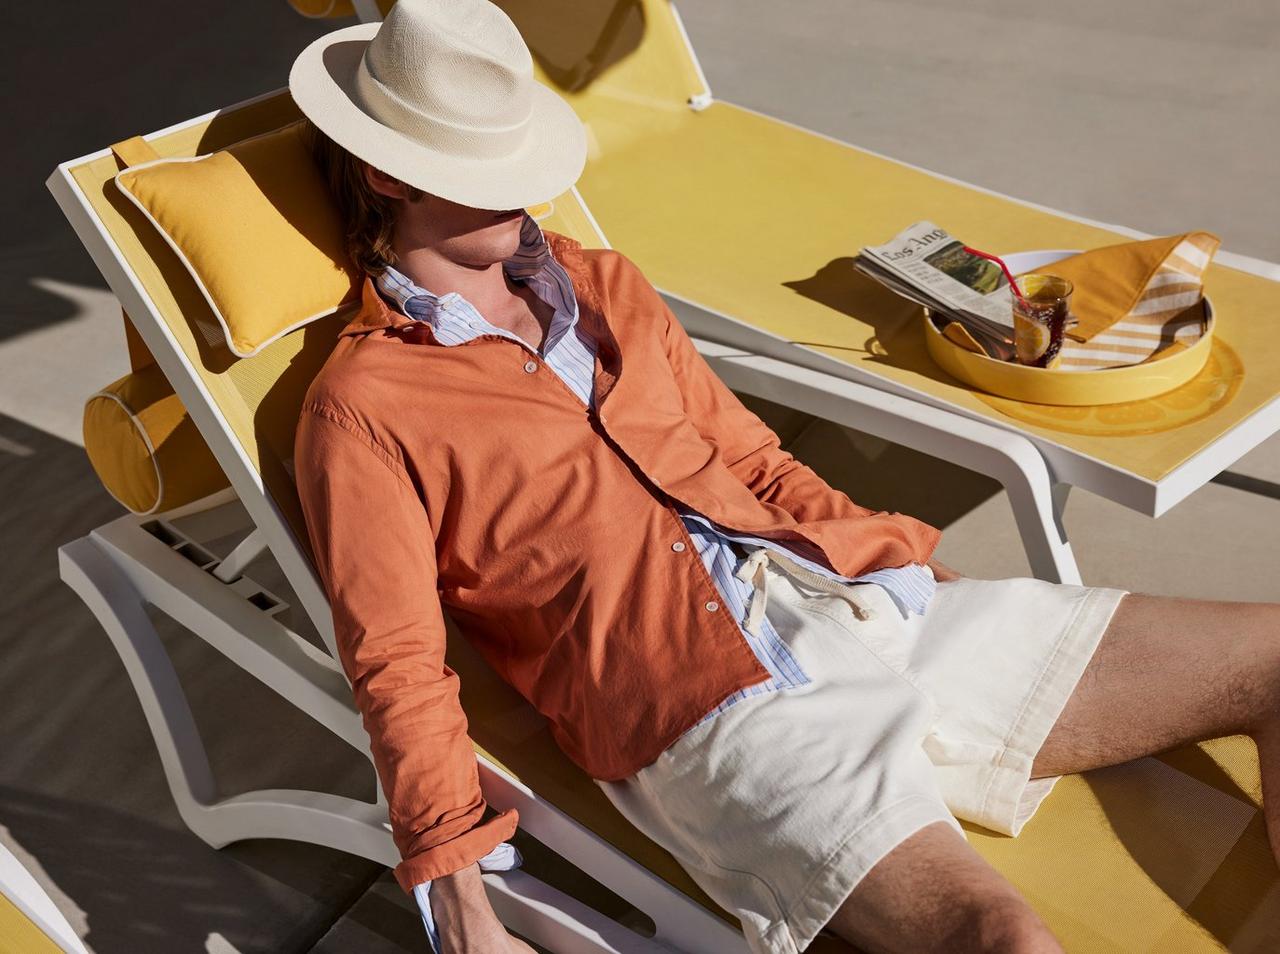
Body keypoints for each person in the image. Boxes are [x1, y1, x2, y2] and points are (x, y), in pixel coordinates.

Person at [289, 2, 1280, 952]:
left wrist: (892, 565)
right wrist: (462, 911)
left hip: (858, 604)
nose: (522, 186)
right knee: (1003, 939)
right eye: (477, 164)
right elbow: (400, 669)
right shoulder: (365, 408)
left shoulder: (605, 285)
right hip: (717, 711)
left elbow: (754, 463)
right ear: (385, 174)